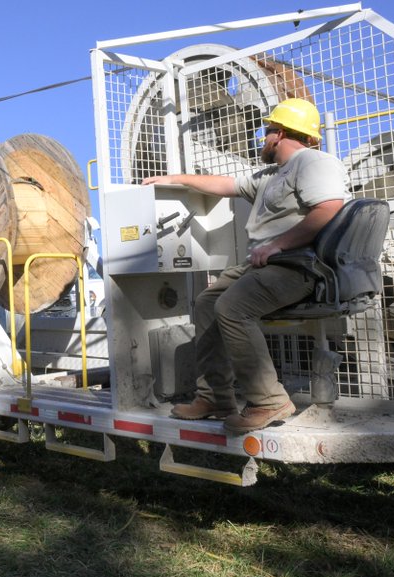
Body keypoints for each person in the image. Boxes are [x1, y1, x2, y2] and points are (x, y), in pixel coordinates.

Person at [141, 98, 349, 433]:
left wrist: (278, 243)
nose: (261, 138)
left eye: (265, 131)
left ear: (278, 134)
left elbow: (329, 208)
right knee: (207, 303)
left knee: (232, 307)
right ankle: (215, 397)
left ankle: (268, 401)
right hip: (263, 265)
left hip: (297, 266)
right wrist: (173, 178)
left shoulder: (313, 162)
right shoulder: (273, 175)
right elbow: (227, 185)